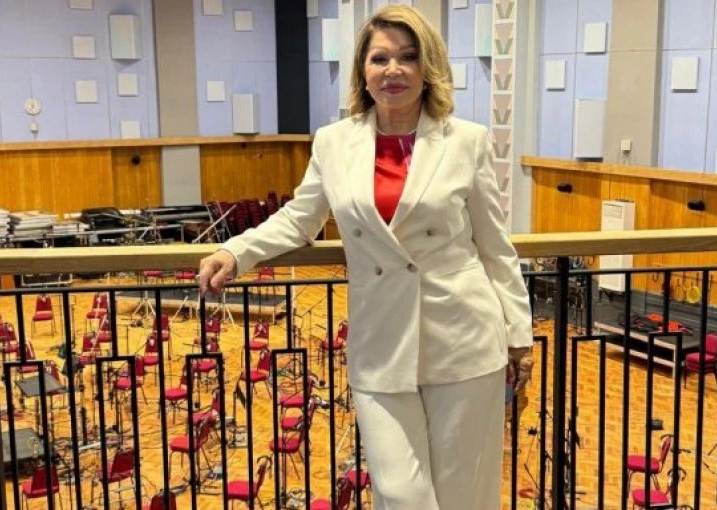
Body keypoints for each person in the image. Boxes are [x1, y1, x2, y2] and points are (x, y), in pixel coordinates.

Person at [198, 5, 533, 509]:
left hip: (463, 337)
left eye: (408, 57)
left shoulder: (467, 141)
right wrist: (237, 249)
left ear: (428, 68)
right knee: (401, 493)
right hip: (381, 341)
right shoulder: (335, 142)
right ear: (362, 69)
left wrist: (518, 335)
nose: (393, 69)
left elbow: (494, 247)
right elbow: (300, 218)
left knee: (462, 494)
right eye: (380, 58)